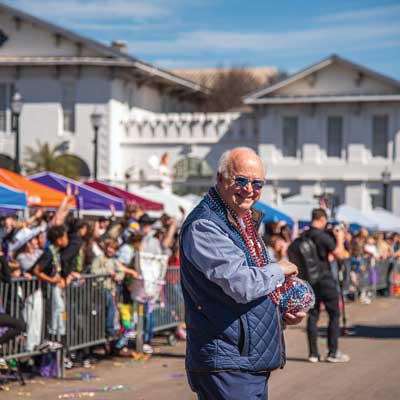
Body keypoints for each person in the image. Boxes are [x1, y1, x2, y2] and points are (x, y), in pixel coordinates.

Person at [180, 147, 304, 400]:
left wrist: (280, 313)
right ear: (220, 178)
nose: (249, 188)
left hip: (245, 359)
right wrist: (278, 269)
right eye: (241, 180)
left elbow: (253, 288)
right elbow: (242, 284)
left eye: (257, 183)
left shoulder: (241, 221)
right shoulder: (206, 225)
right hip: (226, 359)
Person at [305, 208, 350, 363]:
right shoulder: (322, 236)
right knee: (334, 314)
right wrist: (339, 238)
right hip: (325, 279)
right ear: (323, 219)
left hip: (310, 280)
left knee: (313, 315)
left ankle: (313, 353)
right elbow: (339, 253)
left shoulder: (304, 235)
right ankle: (333, 352)